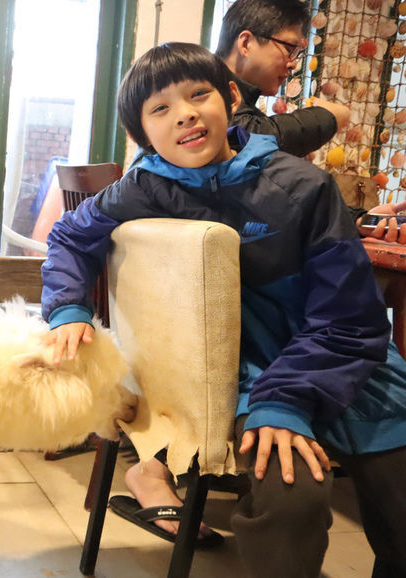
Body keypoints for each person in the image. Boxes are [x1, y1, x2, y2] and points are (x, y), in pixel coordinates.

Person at [41, 42, 406, 577]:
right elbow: (70, 236)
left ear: (230, 97)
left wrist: (288, 398)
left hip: (341, 360)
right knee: (292, 492)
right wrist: (68, 308)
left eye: (198, 95)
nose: (184, 113)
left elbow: (352, 321)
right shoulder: (144, 188)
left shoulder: (302, 188)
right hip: (240, 373)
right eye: (160, 109)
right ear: (143, 135)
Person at [216, 0, 406, 243]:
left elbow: (281, 192)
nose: (293, 62)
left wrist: (357, 220)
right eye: (289, 48)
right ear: (246, 43)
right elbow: (245, 135)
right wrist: (328, 115)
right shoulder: (200, 86)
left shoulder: (239, 103)